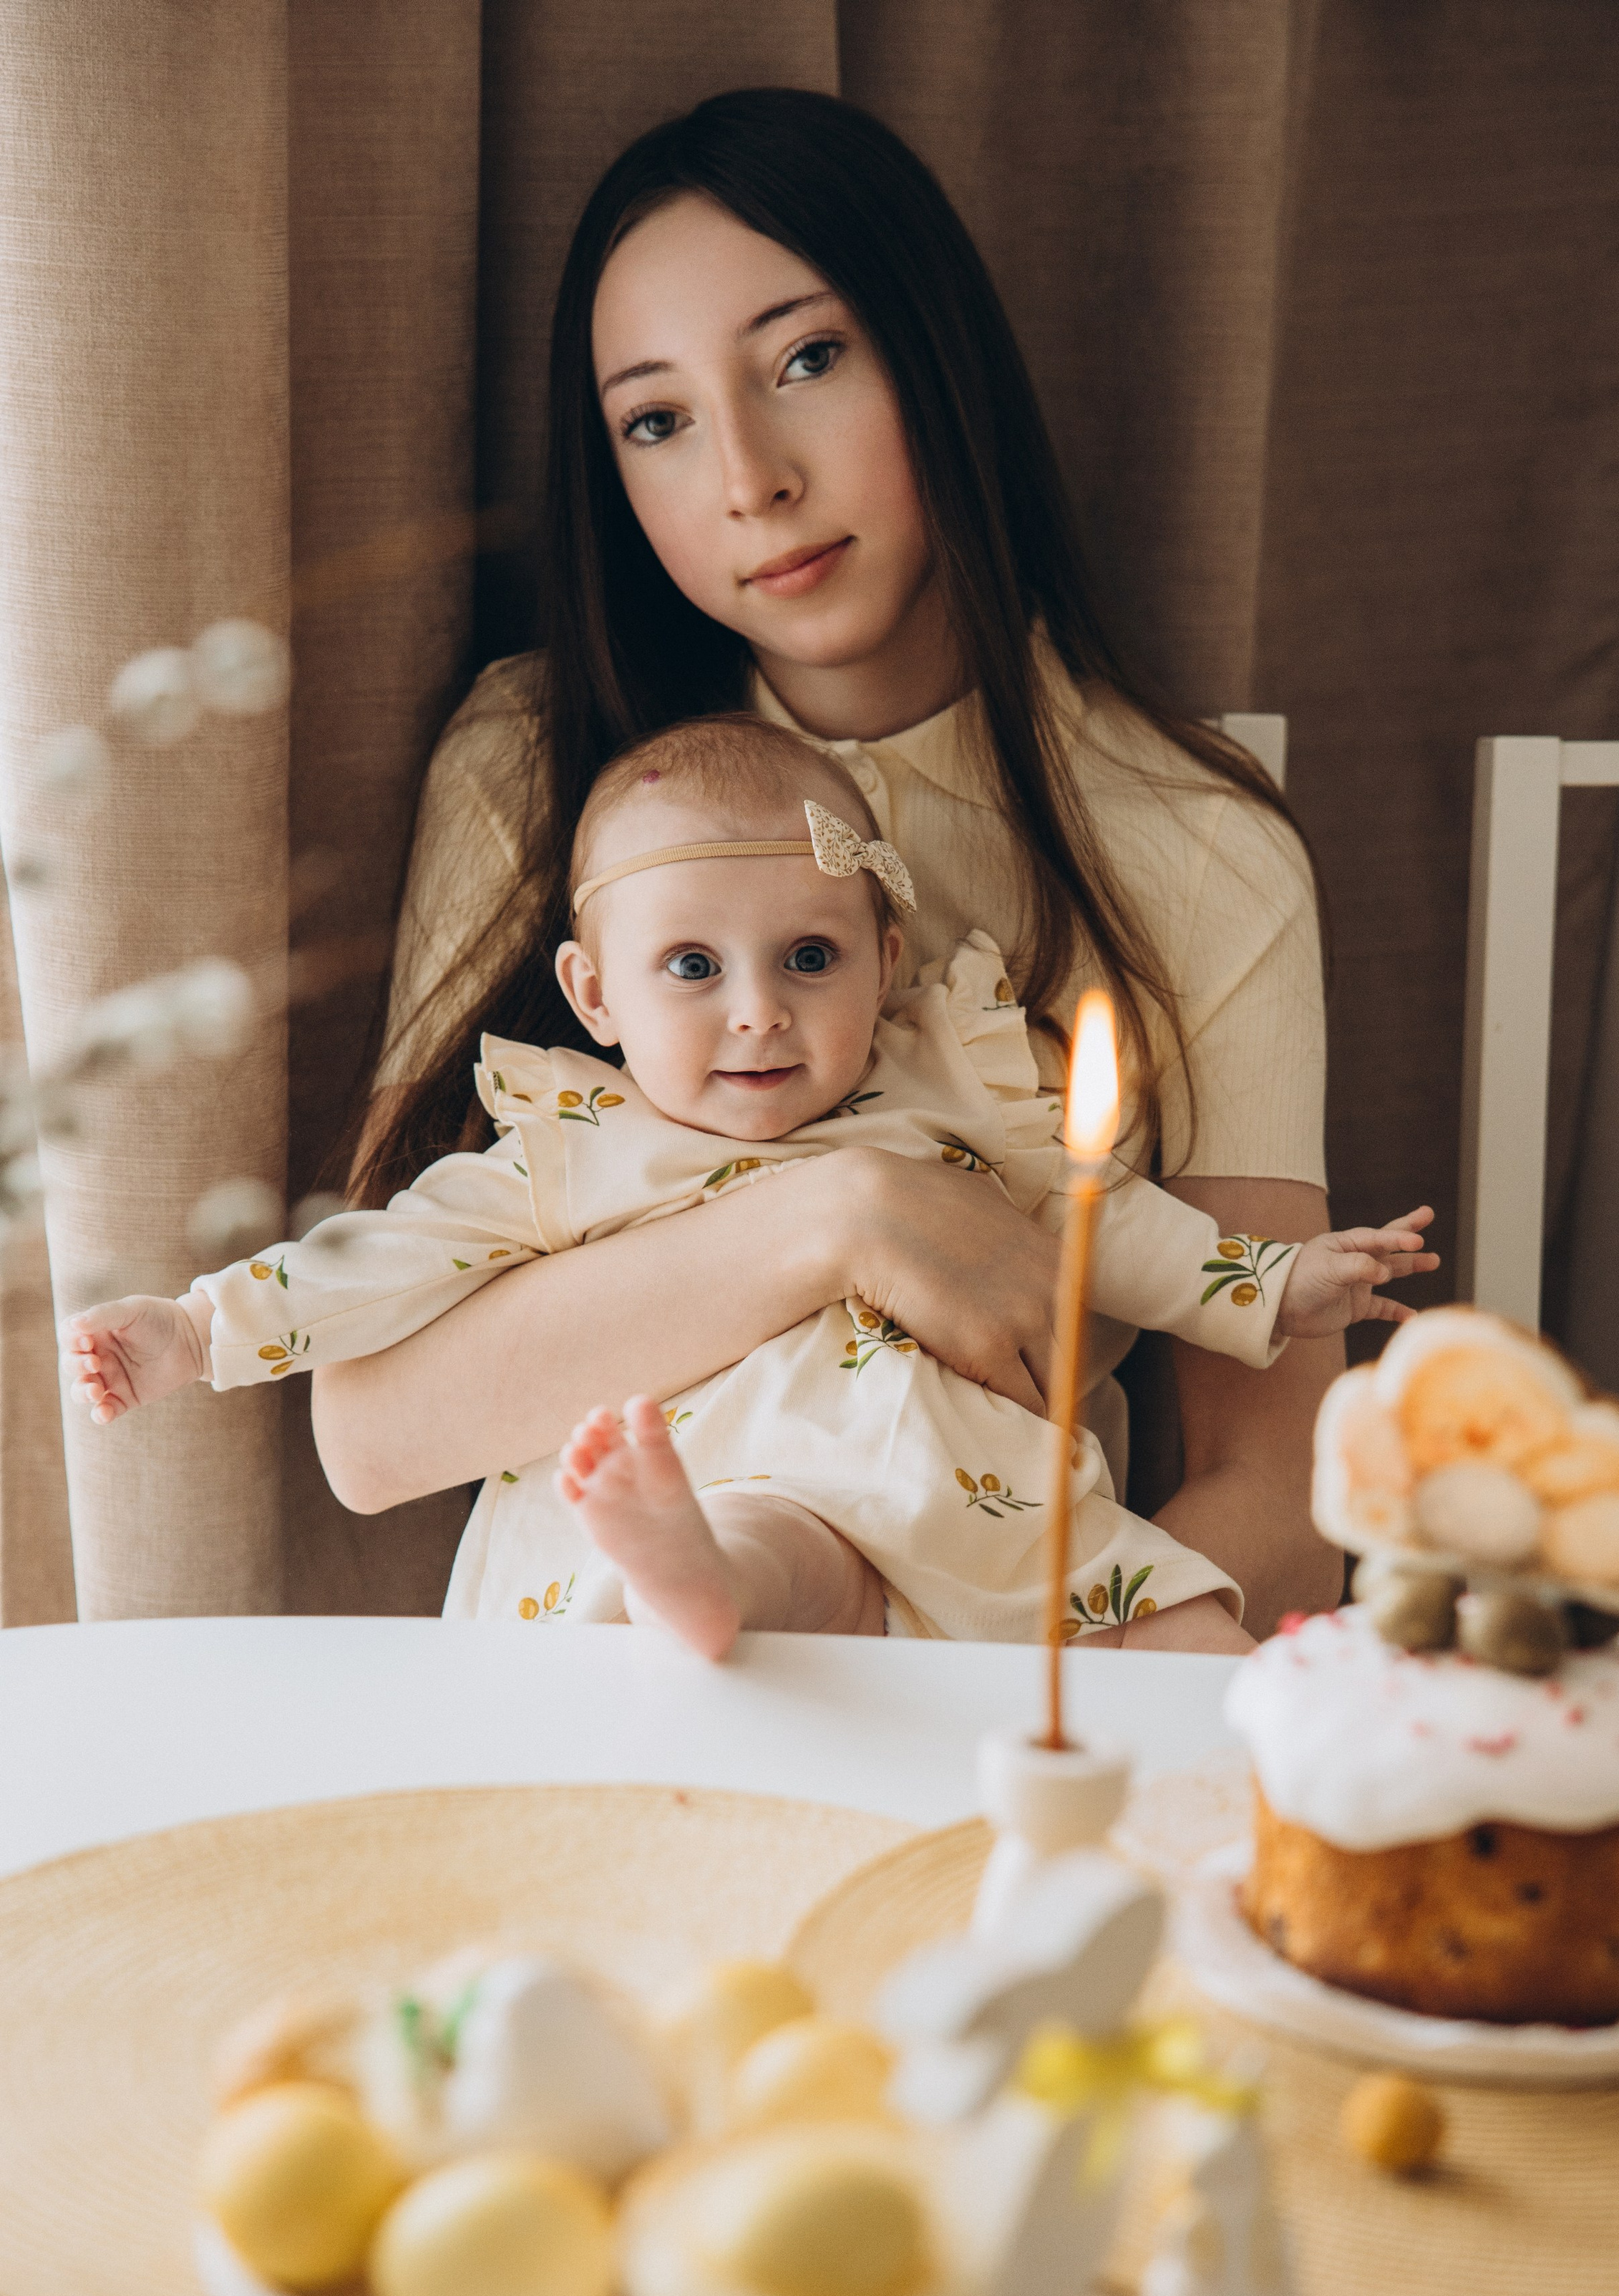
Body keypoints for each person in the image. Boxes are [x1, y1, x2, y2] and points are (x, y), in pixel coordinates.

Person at [312, 89, 1346, 1653]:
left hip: (1012, 1677)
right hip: (594, 1659)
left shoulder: (1195, 846)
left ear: (934, 356)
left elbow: (1276, 1494)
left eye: (805, 359)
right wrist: (848, 1215)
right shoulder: (533, 768)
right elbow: (372, 1430)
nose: (748, 479)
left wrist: (996, 1697)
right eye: (655, 420)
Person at [62, 717, 1434, 1660]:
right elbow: (381, 1260)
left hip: (990, 1513)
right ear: (593, 995)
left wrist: (1277, 1283)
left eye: (810, 961)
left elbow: (1111, 1228)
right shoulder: (565, 1150)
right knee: (781, 1544)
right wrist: (196, 1329)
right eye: (694, 971)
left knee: (1191, 1636)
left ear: (887, 957)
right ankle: (687, 1575)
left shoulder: (961, 1091)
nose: (759, 1016)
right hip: (755, 1482)